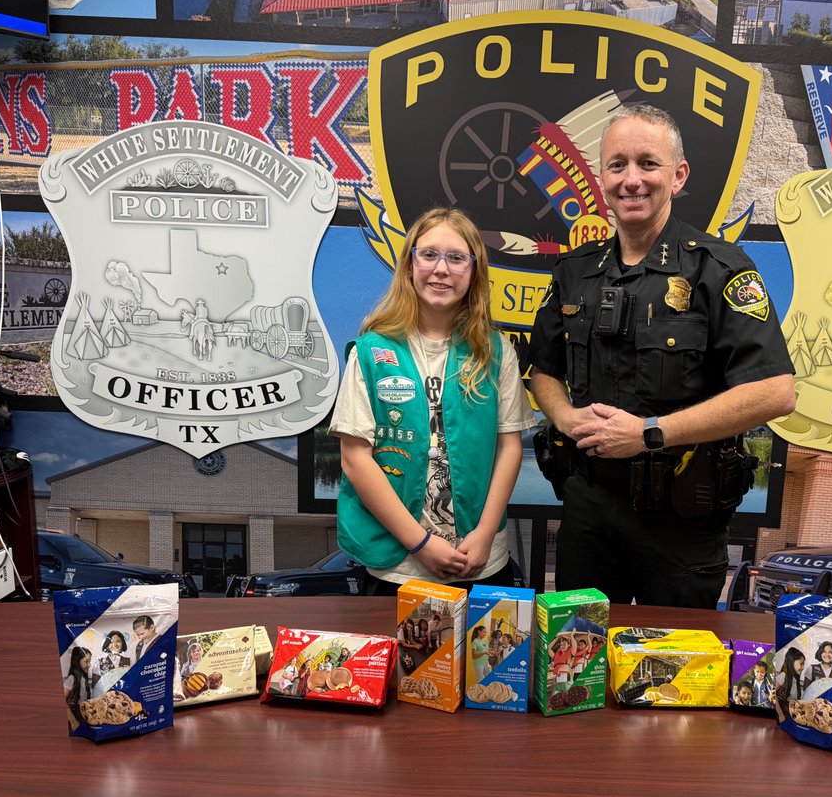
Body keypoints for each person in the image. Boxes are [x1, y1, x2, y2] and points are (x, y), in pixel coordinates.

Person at [526, 104, 796, 608]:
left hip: (680, 521)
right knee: (577, 670)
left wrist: (649, 433)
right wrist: (564, 416)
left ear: (678, 175)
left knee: (672, 676)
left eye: (648, 164)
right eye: (617, 164)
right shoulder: (574, 272)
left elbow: (776, 392)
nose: (632, 180)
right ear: (601, 177)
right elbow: (543, 371)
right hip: (589, 510)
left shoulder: (718, 269)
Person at [332, 207, 535, 593]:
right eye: (428, 255)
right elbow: (355, 459)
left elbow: (509, 446)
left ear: (474, 272)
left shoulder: (495, 352)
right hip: (398, 566)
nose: (441, 269)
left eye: (457, 258)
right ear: (409, 264)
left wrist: (485, 534)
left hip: (480, 559)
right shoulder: (372, 352)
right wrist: (421, 543)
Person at [64, 646, 94, 730]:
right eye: (86, 661)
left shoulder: (84, 678)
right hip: (77, 718)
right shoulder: (72, 678)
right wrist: (73, 722)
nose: (89, 665)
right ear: (77, 661)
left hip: (85, 717)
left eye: (90, 661)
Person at [774, 647, 806, 723]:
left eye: (803, 664)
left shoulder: (796, 679)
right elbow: (772, 694)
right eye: (801, 664)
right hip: (783, 713)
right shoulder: (783, 676)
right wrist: (780, 714)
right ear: (792, 661)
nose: (803, 667)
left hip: (791, 713)